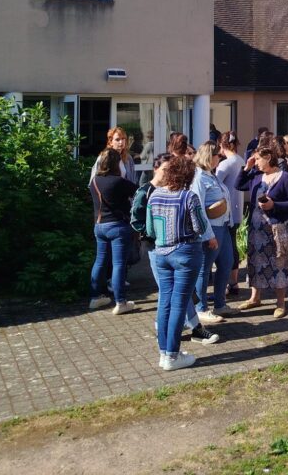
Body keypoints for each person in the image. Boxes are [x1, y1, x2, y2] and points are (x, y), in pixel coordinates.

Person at [133, 154, 219, 345]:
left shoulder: (155, 195)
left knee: (165, 301)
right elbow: (200, 227)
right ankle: (173, 353)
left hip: (161, 252)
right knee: (180, 303)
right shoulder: (189, 196)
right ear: (188, 176)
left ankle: (164, 351)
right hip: (185, 252)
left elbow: (150, 229)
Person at [235, 143, 288, 318]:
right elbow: (239, 185)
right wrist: (247, 168)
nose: (256, 162)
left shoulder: (283, 177)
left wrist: (273, 205)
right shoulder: (256, 175)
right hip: (257, 228)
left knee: (278, 264)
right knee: (256, 262)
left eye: (258, 159)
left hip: (277, 228)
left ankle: (280, 303)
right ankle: (255, 298)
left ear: (268, 158)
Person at [88, 147, 139, 313]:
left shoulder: (94, 180)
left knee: (100, 261)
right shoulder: (118, 181)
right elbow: (139, 192)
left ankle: (95, 297)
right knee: (118, 264)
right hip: (117, 226)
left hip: (99, 225)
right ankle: (120, 302)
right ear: (116, 164)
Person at [191, 142, 235, 324]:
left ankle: (219, 303)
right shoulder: (199, 178)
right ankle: (201, 308)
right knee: (204, 269)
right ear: (210, 156)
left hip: (223, 226)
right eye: (218, 155)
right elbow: (198, 208)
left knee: (227, 263)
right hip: (211, 228)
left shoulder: (212, 175)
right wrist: (207, 235)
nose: (220, 158)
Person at [215, 131, 245, 298]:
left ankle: (229, 283)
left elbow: (214, 185)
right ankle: (233, 282)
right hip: (237, 210)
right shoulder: (240, 160)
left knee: (226, 249)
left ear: (222, 145)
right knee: (232, 247)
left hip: (226, 213)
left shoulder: (225, 164)